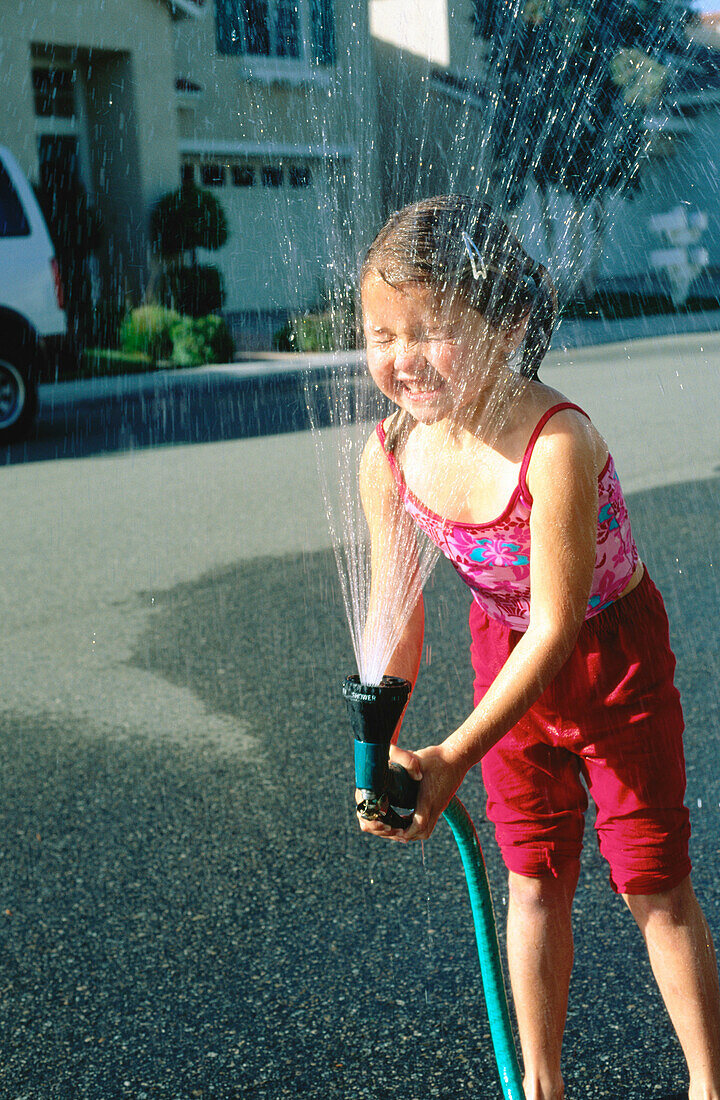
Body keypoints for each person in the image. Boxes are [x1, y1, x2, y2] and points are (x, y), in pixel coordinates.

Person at [356, 195, 720, 1100]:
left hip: (610, 657)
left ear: (510, 322)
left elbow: (559, 625)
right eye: (379, 333)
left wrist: (448, 756)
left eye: (431, 330)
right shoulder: (389, 457)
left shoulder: (557, 443)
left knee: (652, 883)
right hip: (504, 661)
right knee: (532, 877)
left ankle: (710, 1082)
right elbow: (395, 622)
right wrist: (376, 750)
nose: (402, 359)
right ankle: (543, 1087)